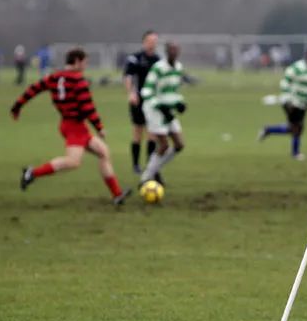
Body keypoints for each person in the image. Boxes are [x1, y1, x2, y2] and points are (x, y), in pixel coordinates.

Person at [10, 48, 131, 205]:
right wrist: (99, 127)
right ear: (77, 61)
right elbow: (87, 107)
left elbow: (33, 89)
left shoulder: (54, 77)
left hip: (70, 124)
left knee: (103, 152)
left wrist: (17, 106)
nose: (85, 66)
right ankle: (32, 173)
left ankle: (117, 194)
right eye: (85, 62)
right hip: (74, 126)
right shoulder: (78, 81)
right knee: (73, 162)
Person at [258, 46, 307, 160]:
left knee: (293, 128)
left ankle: (268, 129)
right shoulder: (298, 67)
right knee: (297, 127)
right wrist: (288, 100)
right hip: (292, 103)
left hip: (303, 103)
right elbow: (285, 82)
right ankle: (295, 153)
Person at [139, 42, 187, 185]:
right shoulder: (158, 68)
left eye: (176, 50)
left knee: (179, 145)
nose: (174, 52)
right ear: (166, 52)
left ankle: (152, 170)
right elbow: (146, 91)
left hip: (167, 110)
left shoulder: (178, 67)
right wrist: (160, 107)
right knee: (164, 145)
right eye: (171, 50)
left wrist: (179, 102)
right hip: (154, 109)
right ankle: (146, 177)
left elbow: (172, 91)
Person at [123, 30, 160, 174]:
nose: (153, 44)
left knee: (152, 134)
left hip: (152, 102)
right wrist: (131, 93)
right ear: (144, 42)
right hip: (138, 100)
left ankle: (150, 165)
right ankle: (136, 165)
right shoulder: (135, 58)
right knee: (138, 133)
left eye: (155, 41)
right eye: (150, 41)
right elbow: (128, 77)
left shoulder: (158, 60)